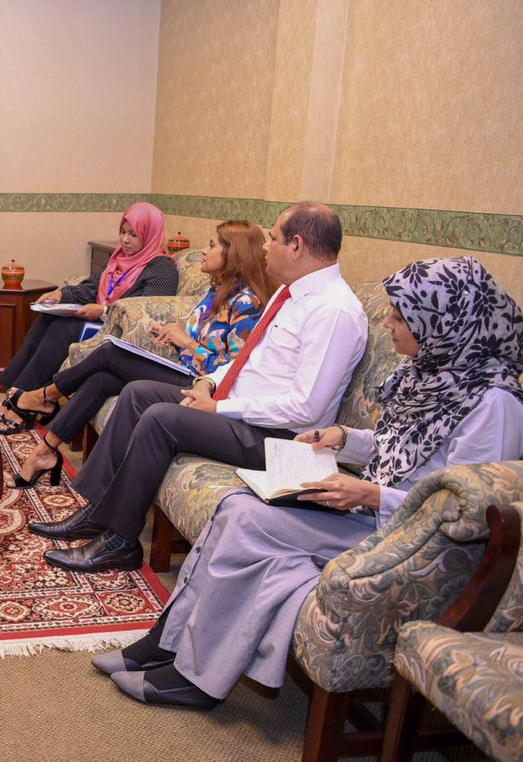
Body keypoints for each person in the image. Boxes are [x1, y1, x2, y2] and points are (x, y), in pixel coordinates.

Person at [93, 255, 523, 710]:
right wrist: (343, 439)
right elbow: (402, 447)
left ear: (444, 323)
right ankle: (168, 642)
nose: (390, 323)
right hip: (371, 511)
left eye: (403, 316)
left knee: (243, 521)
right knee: (236, 508)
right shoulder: (432, 374)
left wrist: (371, 493)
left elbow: (467, 510)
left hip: (407, 541)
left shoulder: (494, 404)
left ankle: (192, 677)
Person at [29, 202, 369, 573]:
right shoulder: (289, 295)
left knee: (161, 419)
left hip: (278, 438)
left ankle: (121, 542)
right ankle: (98, 511)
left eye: (272, 238)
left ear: (297, 245)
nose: (266, 247)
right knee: (138, 392)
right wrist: (209, 383)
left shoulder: (333, 310)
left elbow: (306, 409)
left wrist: (219, 408)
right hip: (240, 410)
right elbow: (248, 361)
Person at [6, 219, 276, 489]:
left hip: (201, 387)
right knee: (100, 380)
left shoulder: (247, 303)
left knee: (110, 353)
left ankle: (44, 395)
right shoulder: (216, 289)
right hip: (183, 369)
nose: (204, 252)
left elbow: (235, 369)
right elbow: (199, 338)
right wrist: (173, 335)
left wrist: (189, 345)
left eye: (211, 245)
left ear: (233, 253)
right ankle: (45, 452)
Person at [0, 201, 179, 434]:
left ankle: (24, 405)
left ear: (150, 235)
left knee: (63, 329)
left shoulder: (161, 268)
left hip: (118, 335)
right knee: (48, 319)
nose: (125, 240)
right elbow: (90, 288)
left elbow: (148, 313)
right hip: (98, 321)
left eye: (133, 234)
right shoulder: (117, 258)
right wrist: (59, 295)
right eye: (122, 231)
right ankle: (14, 391)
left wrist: (105, 311)